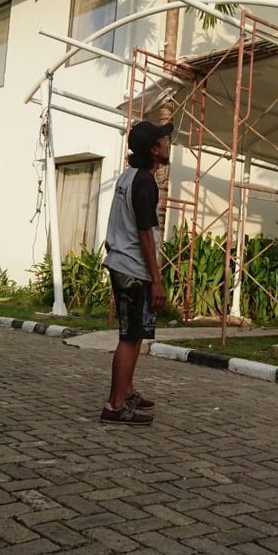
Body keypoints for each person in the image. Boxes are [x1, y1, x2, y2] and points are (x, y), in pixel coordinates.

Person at [100, 119, 172, 425]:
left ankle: (126, 391)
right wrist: (157, 280)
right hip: (133, 268)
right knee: (129, 337)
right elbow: (144, 232)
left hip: (125, 264)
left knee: (136, 332)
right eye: (164, 141)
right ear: (154, 150)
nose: (169, 144)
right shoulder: (144, 182)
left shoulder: (129, 178)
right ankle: (115, 406)